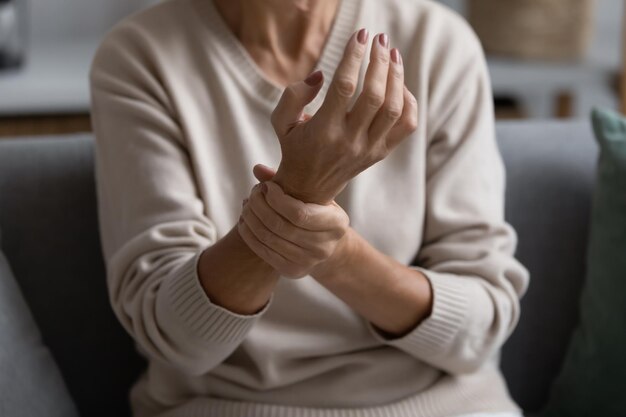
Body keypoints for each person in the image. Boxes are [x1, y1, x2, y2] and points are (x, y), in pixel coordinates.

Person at [88, 0, 530, 416]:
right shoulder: (141, 57)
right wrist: (301, 189)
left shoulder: (438, 44)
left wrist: (334, 251)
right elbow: (178, 342)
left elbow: (480, 328)